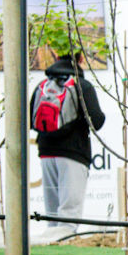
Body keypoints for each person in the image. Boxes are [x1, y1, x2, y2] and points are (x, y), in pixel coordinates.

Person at [28, 54, 107, 237]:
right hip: (73, 152)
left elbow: (31, 121)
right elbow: (97, 121)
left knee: (52, 211)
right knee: (69, 213)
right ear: (80, 60)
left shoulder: (44, 86)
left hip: (46, 152)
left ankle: (52, 245)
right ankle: (64, 242)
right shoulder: (81, 86)